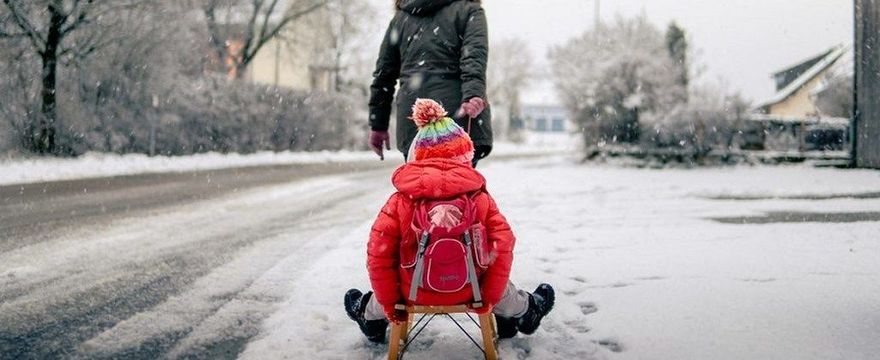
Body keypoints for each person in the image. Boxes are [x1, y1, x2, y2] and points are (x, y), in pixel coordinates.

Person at [345, 99, 554, 343]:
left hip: (412, 292)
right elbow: (503, 244)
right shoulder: (479, 199)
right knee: (499, 285)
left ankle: (369, 317)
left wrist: (391, 305)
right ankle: (525, 310)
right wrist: (488, 297)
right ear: (466, 156)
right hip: (470, 290)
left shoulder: (400, 201)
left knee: (390, 283)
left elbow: (379, 255)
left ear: (417, 155)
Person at [368, 0, 493, 167]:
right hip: (456, 117)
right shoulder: (468, 11)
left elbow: (384, 74)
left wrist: (378, 124)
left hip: (414, 119)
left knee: (420, 186)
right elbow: (474, 57)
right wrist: (473, 94)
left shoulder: (401, 18)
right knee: (459, 186)